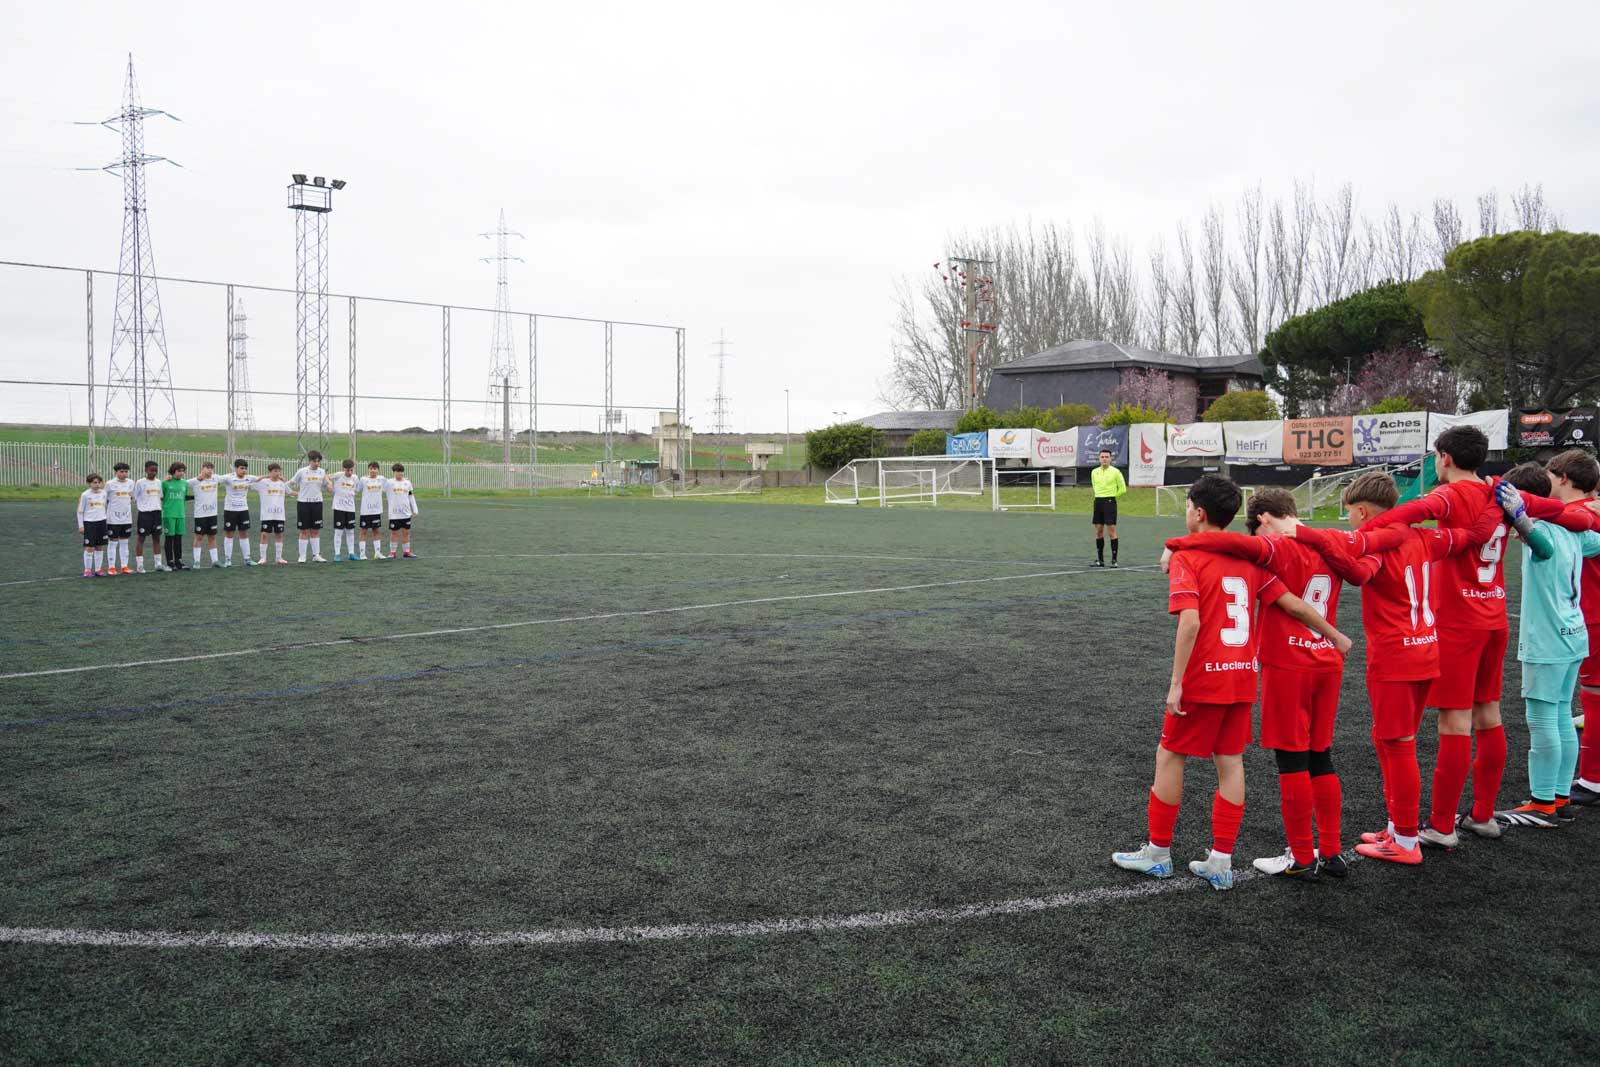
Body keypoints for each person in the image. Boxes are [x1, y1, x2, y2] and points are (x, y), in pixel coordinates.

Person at [1112, 475, 1352, 891]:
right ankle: (1220, 861)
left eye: (1187, 506)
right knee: (1230, 762)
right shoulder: (1254, 562)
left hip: (1203, 677)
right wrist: (1333, 634)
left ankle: (1157, 853)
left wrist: (1175, 684)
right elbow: (1291, 603)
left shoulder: (1191, 557)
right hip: (1243, 677)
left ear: (1199, 513)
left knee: (1169, 754)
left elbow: (1190, 622)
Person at [1161, 489, 1394, 881]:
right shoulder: (1332, 541)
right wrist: (1336, 636)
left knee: (1292, 760)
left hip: (1288, 663)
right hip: (1326, 661)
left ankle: (1302, 855)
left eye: (1256, 525)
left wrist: (1175, 544)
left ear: (1266, 519)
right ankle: (1332, 852)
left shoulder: (1274, 549)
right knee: (1321, 755)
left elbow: (1226, 543)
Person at [1293, 470, 1500, 864]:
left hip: (1395, 657)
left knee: (1398, 743)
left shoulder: (1379, 544)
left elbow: (1357, 573)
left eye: (1350, 513)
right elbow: (1472, 537)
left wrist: (1307, 537)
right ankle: (1396, 826)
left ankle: (1405, 841)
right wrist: (1495, 505)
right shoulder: (1426, 537)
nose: (1350, 521)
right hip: (1427, 650)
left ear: (1362, 510)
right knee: (1389, 738)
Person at [1359, 426, 1511, 846]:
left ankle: (1442, 826)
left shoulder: (1449, 496)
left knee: (1455, 721)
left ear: (1444, 457)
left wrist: (1364, 535)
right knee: (1489, 714)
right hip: (1495, 614)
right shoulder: (1497, 492)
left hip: (1460, 622)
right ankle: (1482, 815)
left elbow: (1403, 516)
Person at [1493, 466, 1600, 827]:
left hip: (1548, 639)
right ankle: (1560, 798)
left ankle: (1541, 803)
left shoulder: (1545, 530)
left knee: (1542, 720)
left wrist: (1521, 520)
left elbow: (1541, 545)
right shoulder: (1575, 528)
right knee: (1559, 717)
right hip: (1574, 634)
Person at [288, 449, 331, 563]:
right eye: (315, 461)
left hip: (317, 504)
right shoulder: (302, 472)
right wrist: (286, 490)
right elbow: (291, 483)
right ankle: (302, 556)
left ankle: (316, 555)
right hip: (303, 503)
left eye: (318, 461)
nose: (317, 464)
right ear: (309, 461)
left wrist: (330, 486)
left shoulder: (322, 472)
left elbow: (327, 485)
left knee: (315, 530)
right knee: (304, 531)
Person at [218, 459, 259, 567]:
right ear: (236, 468)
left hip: (243, 510)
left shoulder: (249, 478)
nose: (244, 470)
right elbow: (215, 479)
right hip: (230, 510)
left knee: (244, 533)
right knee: (229, 534)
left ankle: (247, 559)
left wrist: (277, 478)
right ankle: (227, 560)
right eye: (241, 468)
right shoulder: (228, 477)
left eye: (245, 468)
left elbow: (261, 478)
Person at [1090, 449, 1127, 567]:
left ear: (1110, 459)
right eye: (1102, 457)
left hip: (1110, 502)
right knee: (1099, 531)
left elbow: (1123, 489)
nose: (1104, 459)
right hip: (1098, 501)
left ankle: (1114, 560)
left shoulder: (1116, 472)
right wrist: (1099, 496)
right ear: (1099, 458)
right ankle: (1100, 560)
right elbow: (1094, 486)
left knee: (1111, 531)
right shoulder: (1094, 472)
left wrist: (1112, 496)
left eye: (1107, 457)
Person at [188, 461, 222, 569]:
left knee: (212, 536)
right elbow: (182, 483)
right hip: (200, 514)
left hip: (212, 514)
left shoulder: (216, 478)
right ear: (202, 468)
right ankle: (197, 562)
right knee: (198, 537)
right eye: (207, 468)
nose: (210, 470)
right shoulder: (195, 481)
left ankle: (215, 561)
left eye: (211, 468)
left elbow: (229, 477)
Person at [254, 463, 290, 565]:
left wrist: (302, 494)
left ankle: (279, 558)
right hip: (266, 514)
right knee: (264, 534)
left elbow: (290, 492)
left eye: (279, 471)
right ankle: (263, 558)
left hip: (279, 514)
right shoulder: (263, 482)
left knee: (279, 534)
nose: (278, 473)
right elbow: (250, 483)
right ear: (270, 472)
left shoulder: (282, 483)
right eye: (275, 471)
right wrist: (263, 477)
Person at [133, 459, 165, 573]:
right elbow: (135, 498)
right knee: (141, 538)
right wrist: (144, 506)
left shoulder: (159, 482)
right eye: (151, 470)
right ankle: (140, 565)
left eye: (156, 470)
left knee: (156, 538)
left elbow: (160, 496)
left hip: (156, 513)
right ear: (146, 470)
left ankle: (158, 564)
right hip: (145, 514)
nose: (154, 472)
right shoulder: (140, 482)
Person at [104, 462, 136, 574]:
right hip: (113, 518)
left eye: (126, 471)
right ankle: (111, 567)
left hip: (127, 518)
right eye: (121, 471)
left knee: (124, 541)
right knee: (113, 542)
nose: (124, 474)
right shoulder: (109, 484)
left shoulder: (131, 483)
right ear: (116, 472)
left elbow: (133, 497)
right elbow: (104, 500)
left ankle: (124, 566)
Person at [76, 473, 109, 577]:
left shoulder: (104, 493)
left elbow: (105, 507)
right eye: (95, 482)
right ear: (89, 483)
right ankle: (87, 570)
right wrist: (81, 525)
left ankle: (98, 569)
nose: (97, 484)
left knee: (99, 546)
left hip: (102, 522)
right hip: (89, 523)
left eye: (99, 482)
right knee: (89, 547)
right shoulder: (85, 495)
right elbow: (80, 511)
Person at [328, 459, 360, 562]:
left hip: (350, 508)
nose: (350, 473)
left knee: (350, 531)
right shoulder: (338, 475)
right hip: (339, 508)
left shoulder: (355, 478)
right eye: (347, 470)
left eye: (351, 470)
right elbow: (327, 476)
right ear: (343, 469)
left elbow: (357, 489)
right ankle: (337, 554)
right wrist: (330, 485)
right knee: (338, 531)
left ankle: (351, 553)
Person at [161, 462, 191, 571]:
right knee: (169, 538)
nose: (181, 473)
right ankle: (170, 562)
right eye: (179, 471)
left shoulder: (184, 483)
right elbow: (161, 497)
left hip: (181, 514)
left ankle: (179, 561)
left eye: (183, 471)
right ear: (173, 471)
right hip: (169, 515)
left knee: (178, 539)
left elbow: (183, 497)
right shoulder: (165, 483)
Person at [386, 462, 419, 558]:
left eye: (401, 472)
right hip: (394, 514)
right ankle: (392, 552)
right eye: (397, 472)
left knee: (406, 532)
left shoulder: (407, 483)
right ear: (393, 472)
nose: (399, 474)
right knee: (394, 533)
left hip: (406, 513)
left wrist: (415, 509)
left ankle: (407, 552)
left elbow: (411, 496)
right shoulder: (389, 483)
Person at [358, 461, 387, 560]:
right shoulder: (363, 479)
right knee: (363, 531)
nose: (373, 470)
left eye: (375, 468)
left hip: (376, 510)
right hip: (365, 510)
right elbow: (357, 489)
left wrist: (404, 479)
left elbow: (391, 485)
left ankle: (377, 552)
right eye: (371, 468)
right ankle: (362, 554)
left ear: (378, 470)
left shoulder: (382, 479)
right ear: (368, 470)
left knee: (376, 531)